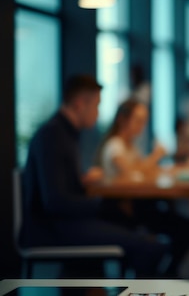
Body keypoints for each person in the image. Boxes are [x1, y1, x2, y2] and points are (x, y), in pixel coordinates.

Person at [20, 75, 167, 277]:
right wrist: (102, 203)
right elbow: (54, 202)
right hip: (50, 229)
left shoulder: (61, 133)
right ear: (80, 104)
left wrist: (81, 183)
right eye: (97, 105)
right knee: (147, 245)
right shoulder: (53, 136)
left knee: (133, 227)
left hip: (60, 223)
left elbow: (57, 188)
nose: (98, 113)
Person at [97, 98, 189, 277]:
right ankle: (166, 274)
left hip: (138, 206)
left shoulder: (129, 146)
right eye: (138, 120)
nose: (142, 126)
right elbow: (132, 174)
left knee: (185, 226)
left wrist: (171, 168)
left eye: (144, 121)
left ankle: (167, 273)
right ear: (123, 120)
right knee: (185, 228)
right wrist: (155, 156)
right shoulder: (115, 146)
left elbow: (144, 172)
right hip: (124, 211)